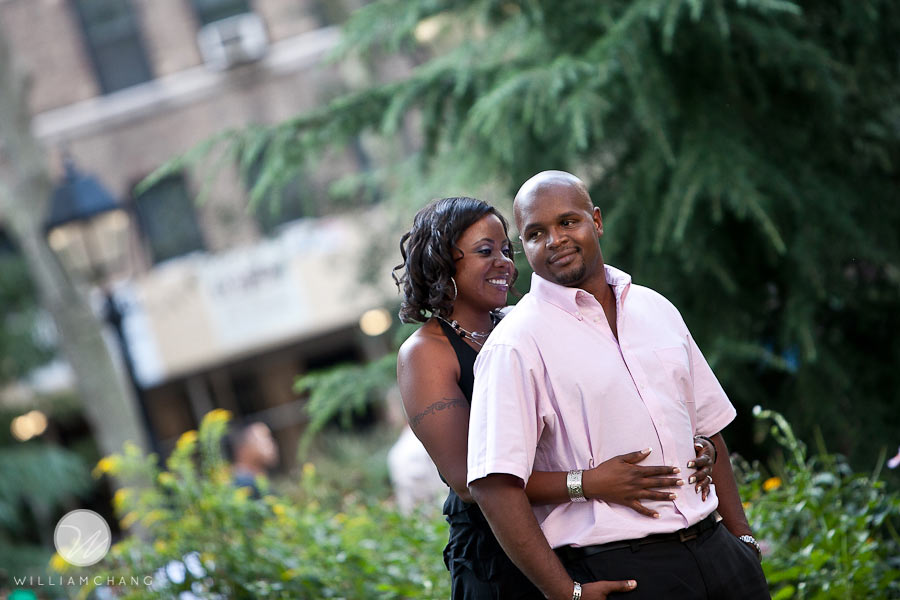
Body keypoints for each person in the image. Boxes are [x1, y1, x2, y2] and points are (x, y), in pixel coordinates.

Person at [394, 197, 718, 599]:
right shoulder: (426, 353)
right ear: (440, 260)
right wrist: (589, 483)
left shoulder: (523, 326)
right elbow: (468, 480)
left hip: (570, 543)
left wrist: (688, 446)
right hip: (497, 557)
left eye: (506, 250)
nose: (504, 263)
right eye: (484, 251)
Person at [466, 171, 770, 600]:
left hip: (720, 552)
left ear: (597, 221)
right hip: (621, 570)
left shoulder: (655, 307)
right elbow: (492, 484)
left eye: (568, 222)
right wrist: (565, 593)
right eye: (536, 233)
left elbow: (709, 427)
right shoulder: (515, 344)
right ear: (524, 246)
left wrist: (743, 542)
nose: (555, 240)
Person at [230, 421, 279, 498]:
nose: (271, 445)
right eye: (264, 439)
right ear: (243, 449)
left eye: (271, 439)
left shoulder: (258, 480)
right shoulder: (242, 484)